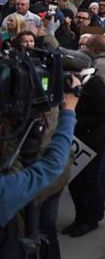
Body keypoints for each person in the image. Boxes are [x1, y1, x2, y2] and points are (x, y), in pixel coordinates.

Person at [0, 83, 79, 258]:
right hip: (35, 182)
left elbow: (52, 166)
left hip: (43, 183)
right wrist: (69, 112)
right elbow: (52, 166)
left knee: (46, 228)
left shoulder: (45, 116)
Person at [63, 70, 105, 238]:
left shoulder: (95, 84)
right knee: (75, 181)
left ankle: (90, 219)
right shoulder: (75, 82)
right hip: (77, 138)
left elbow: (101, 114)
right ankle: (80, 217)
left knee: (88, 180)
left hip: (91, 140)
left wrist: (73, 121)